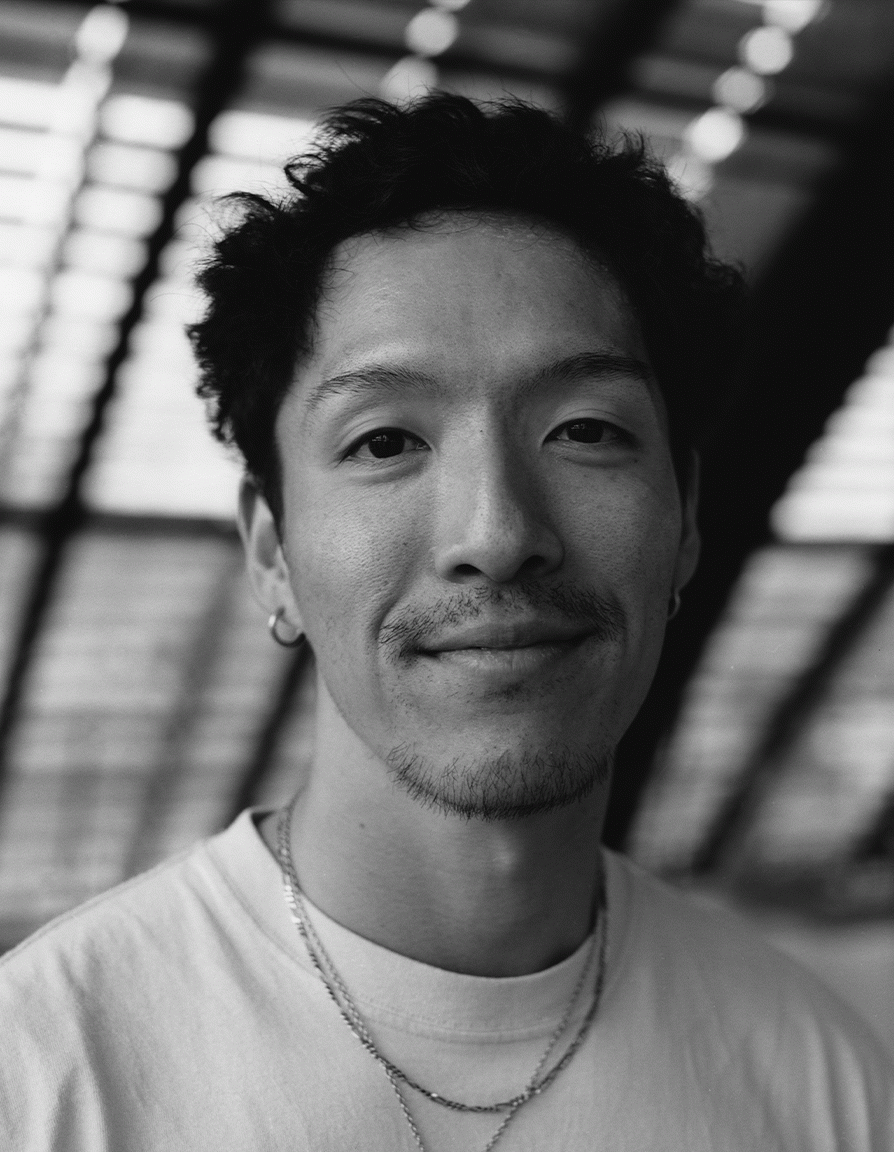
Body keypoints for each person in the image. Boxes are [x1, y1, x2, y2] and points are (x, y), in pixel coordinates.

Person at [1, 94, 892, 1151]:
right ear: (273, 551)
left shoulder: (820, 1081)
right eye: (384, 442)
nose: (497, 533)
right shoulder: (45, 1072)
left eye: (584, 429)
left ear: (687, 517)